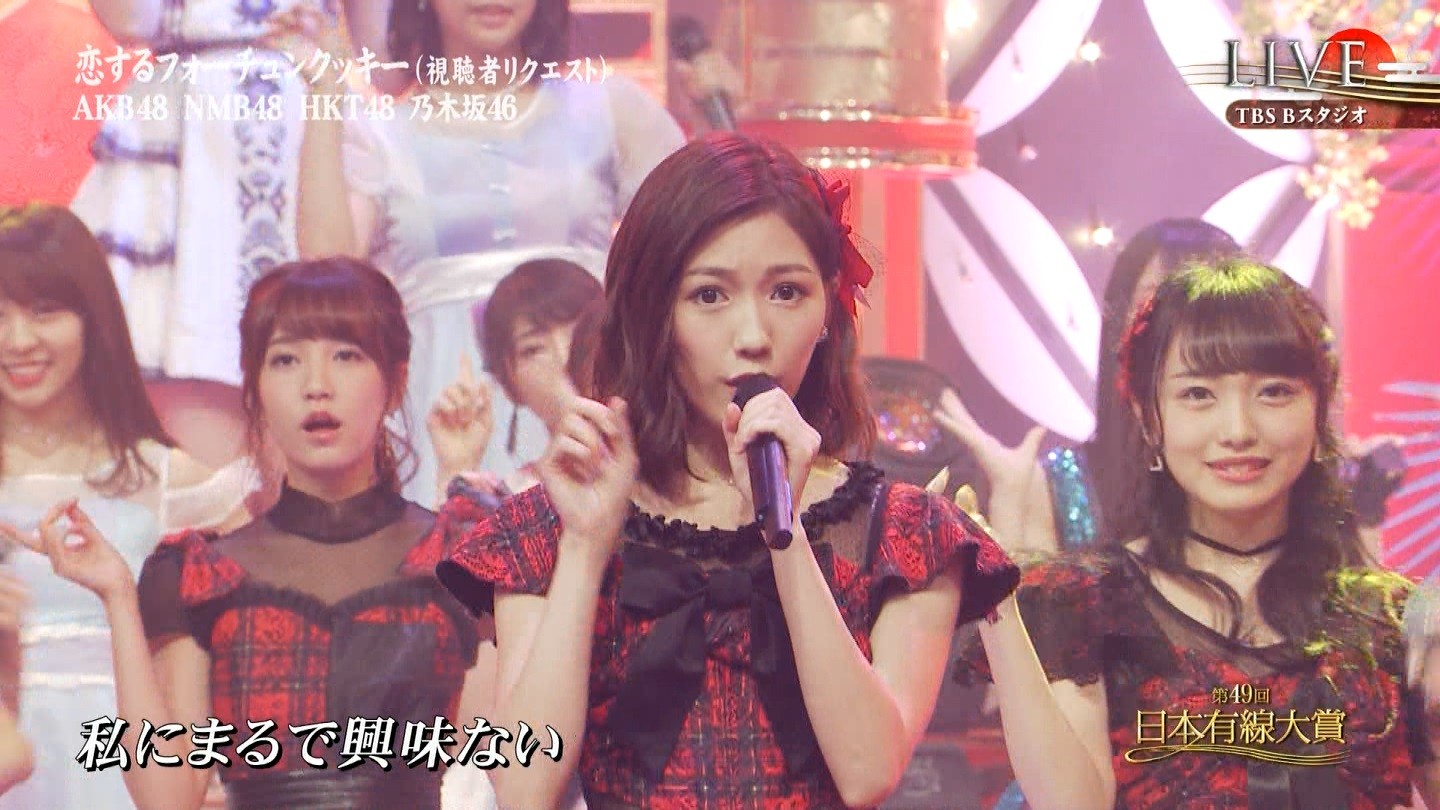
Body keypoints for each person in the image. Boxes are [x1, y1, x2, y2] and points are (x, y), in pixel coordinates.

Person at [429, 132, 1021, 808]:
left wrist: (785, 532)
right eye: (710, 296)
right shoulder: (552, 526)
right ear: (655, 313)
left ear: (828, 309)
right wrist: (586, 549)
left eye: (787, 292)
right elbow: (525, 786)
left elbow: (867, 771)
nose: (753, 336)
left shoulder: (902, 533)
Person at [3, 257, 484, 809]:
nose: (316, 386)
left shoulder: (461, 560)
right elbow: (166, 797)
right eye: (286, 360)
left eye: (346, 355)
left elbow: (511, 775)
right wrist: (117, 595)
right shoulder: (199, 574)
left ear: (396, 382)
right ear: (254, 389)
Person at [958, 258, 1440, 808]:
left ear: (1319, 408)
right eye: (1198, 395)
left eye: (1274, 392)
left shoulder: (1398, 625)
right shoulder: (1081, 605)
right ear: (1149, 418)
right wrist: (998, 608)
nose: (1238, 430)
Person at [285, 0, 687, 506]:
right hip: (446, 410)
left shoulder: (608, 109)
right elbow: (326, 264)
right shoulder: (385, 133)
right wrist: (324, 91)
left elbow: (690, 239)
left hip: (595, 398)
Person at [0, 204, 250, 809]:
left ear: (93, 318)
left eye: (44, 312)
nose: (18, 341)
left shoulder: (168, 482)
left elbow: (255, 642)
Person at [69, 1, 385, 385]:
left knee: (314, 327)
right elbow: (131, 22)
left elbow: (383, 57)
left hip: (305, 99)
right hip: (186, 116)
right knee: (169, 358)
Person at [933, 218, 1243, 556]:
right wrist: (1011, 504)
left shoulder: (1264, 466)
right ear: (1119, 325)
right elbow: (1031, 590)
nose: (1184, 332)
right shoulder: (1064, 485)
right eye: (1156, 304)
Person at [427, 257, 603, 505]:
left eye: (580, 332)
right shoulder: (511, 502)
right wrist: (455, 467)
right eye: (534, 349)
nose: (564, 356)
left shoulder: (655, 466)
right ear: (509, 385)